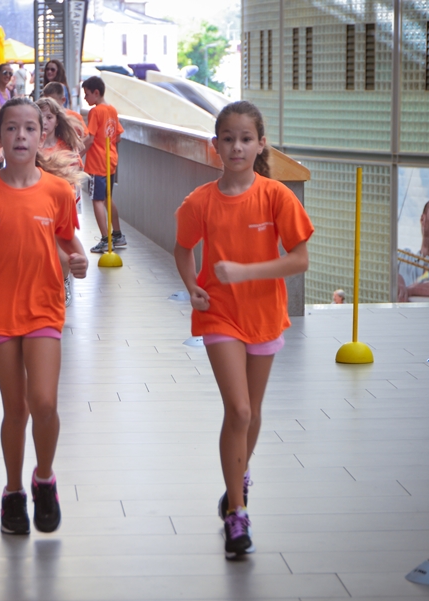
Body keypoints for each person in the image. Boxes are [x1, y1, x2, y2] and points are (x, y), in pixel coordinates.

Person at [173, 101, 313, 559]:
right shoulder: (199, 201)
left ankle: (240, 474)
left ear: (260, 144)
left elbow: (299, 259)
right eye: (228, 138)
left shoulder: (276, 196)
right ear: (215, 146)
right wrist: (193, 286)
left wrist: (247, 272)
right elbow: (182, 248)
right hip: (219, 315)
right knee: (237, 409)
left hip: (265, 315)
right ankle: (237, 513)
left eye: (245, 139)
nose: (237, 146)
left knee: (251, 414)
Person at [0, 97, 88, 535]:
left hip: (44, 306)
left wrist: (79, 261)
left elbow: (69, 244)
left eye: (29, 129)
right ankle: (12, 493)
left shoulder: (58, 191)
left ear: (42, 135)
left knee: (44, 402)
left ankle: (43, 478)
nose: (21, 136)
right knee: (16, 408)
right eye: (12, 129)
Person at [37, 96, 85, 306]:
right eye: (41, 116)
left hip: (63, 204)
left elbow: (77, 170)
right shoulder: (31, 145)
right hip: (37, 204)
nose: (45, 121)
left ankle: (63, 281)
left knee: (63, 252)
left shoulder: (66, 146)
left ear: (57, 120)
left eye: (49, 116)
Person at [82, 76, 126, 253]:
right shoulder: (112, 110)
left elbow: (90, 138)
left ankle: (105, 239)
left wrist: (78, 155)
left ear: (96, 93)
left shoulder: (95, 112)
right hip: (111, 161)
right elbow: (119, 136)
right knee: (108, 198)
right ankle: (117, 234)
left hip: (97, 163)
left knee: (97, 200)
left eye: (86, 94)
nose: (85, 98)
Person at [397, 198, 429, 301]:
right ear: (422, 219)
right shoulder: (402, 257)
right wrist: (396, 278)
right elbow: (382, 269)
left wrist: (411, 290)